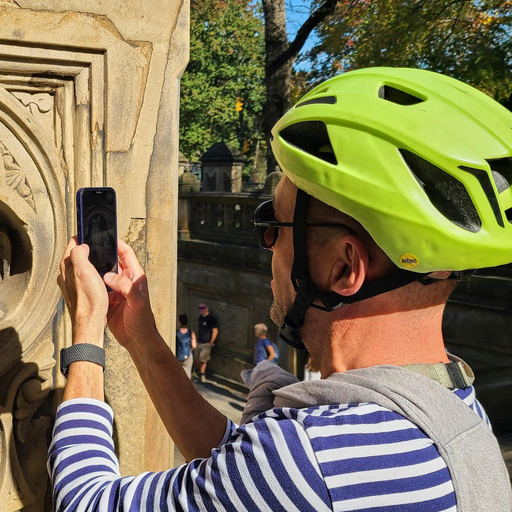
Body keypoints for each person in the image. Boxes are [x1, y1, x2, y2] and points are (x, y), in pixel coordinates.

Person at [50, 68, 512, 511]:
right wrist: (142, 339)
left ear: (344, 267)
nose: (267, 242)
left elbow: (85, 501)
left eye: (274, 225)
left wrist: (86, 334)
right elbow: (234, 473)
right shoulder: (457, 415)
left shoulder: (309, 466)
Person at [194, 302, 217, 382]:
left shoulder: (211, 319)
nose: (201, 310)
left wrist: (211, 342)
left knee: (203, 360)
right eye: (200, 308)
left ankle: (202, 375)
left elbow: (215, 331)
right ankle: (197, 371)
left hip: (206, 343)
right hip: (199, 342)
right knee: (197, 359)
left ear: (207, 309)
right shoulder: (200, 318)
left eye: (203, 308)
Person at [175, 314, 196, 379]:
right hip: (188, 355)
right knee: (187, 372)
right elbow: (194, 345)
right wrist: (188, 350)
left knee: (177, 373)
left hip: (178, 355)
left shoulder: (176, 332)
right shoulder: (191, 332)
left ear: (179, 322)